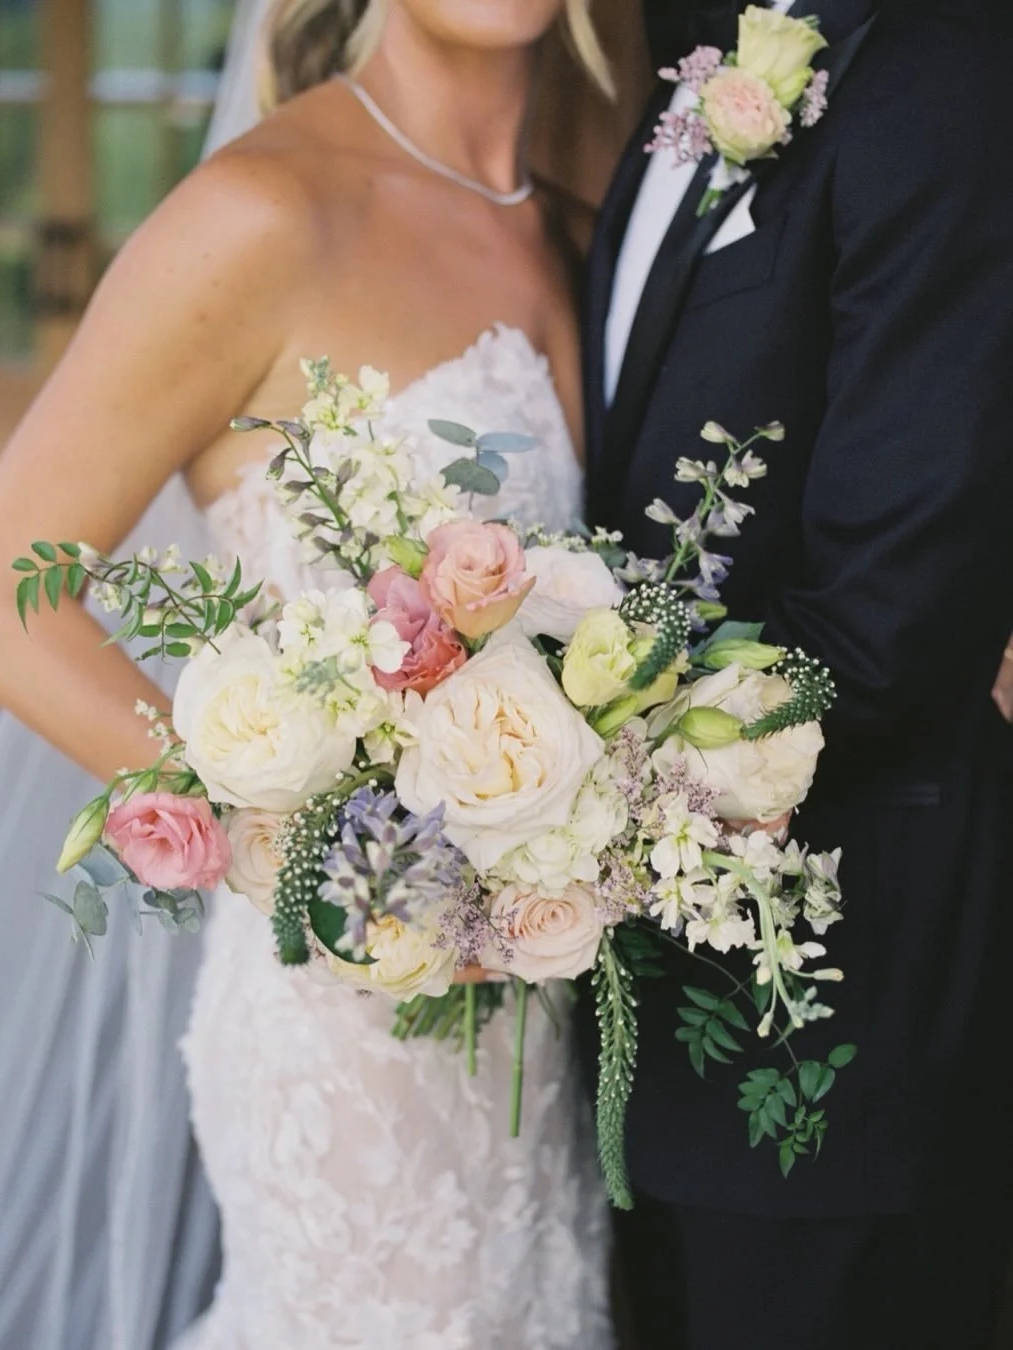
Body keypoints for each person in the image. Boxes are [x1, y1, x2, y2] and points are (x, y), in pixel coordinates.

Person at [0, 2, 633, 1347]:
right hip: (346, 1034)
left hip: (548, 1023)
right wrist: (298, 851)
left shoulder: (583, 233)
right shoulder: (261, 214)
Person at [583, 0, 1013, 1346]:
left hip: (835, 1020)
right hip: (637, 1010)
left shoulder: (943, 62)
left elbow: (892, 617)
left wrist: (549, 775)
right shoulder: (686, 49)